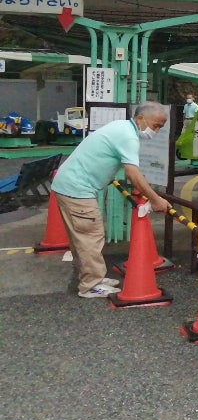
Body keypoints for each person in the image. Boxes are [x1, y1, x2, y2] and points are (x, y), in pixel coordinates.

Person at [50, 102, 172, 298]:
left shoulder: (120, 126)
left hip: (68, 186)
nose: (156, 131)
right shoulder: (128, 136)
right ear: (141, 118)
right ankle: (91, 285)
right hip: (77, 190)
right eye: (156, 125)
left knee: (81, 238)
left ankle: (91, 277)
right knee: (91, 236)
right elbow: (133, 173)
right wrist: (156, 199)